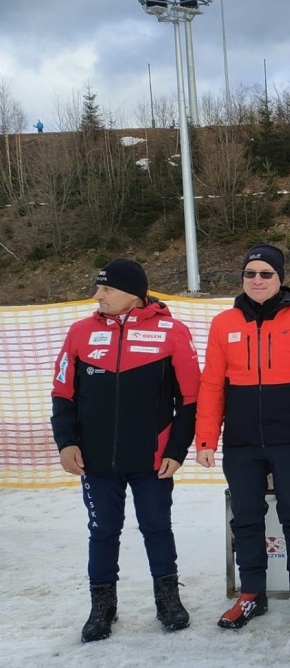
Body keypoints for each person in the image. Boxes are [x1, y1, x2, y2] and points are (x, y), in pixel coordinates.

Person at [51, 259, 200, 642]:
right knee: (102, 531)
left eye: (107, 289)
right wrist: (67, 442)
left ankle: (167, 599)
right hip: (96, 459)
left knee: (156, 527)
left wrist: (178, 449)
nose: (98, 295)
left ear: (133, 294)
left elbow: (190, 398)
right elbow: (63, 393)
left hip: (152, 457)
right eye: (99, 288)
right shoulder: (80, 333)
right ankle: (102, 606)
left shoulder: (172, 331)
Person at [195, 244, 290, 629]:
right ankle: (251, 593)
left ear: (280, 278)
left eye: (266, 274)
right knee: (245, 519)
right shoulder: (223, 323)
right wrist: (206, 438)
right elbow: (211, 384)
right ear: (242, 278)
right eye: (250, 274)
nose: (257, 280)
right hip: (241, 441)